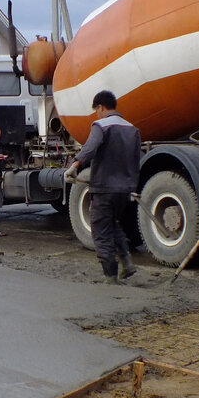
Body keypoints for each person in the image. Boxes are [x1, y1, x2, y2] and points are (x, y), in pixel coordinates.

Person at [65, 90, 142, 284]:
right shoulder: (132, 128)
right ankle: (126, 261)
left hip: (104, 187)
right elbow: (136, 160)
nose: (97, 115)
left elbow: (90, 148)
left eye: (96, 111)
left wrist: (74, 166)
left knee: (99, 230)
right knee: (112, 224)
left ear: (101, 107)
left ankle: (110, 276)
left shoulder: (101, 125)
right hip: (123, 189)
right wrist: (132, 185)